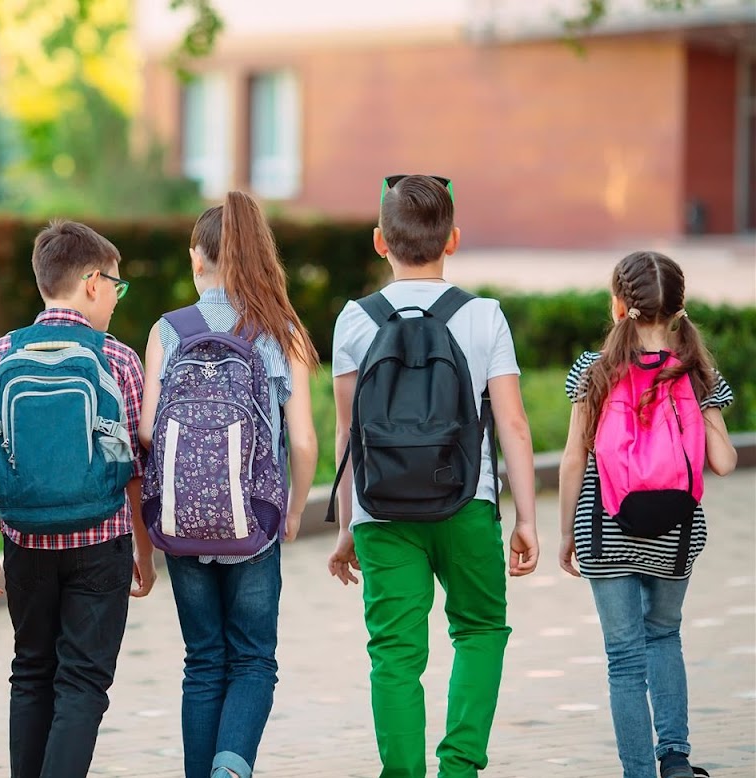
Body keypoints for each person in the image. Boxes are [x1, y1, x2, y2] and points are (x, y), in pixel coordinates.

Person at [327, 174, 540, 777]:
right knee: (480, 630)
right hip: (466, 504)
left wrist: (348, 527)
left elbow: (349, 435)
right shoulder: (483, 316)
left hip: (381, 512)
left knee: (394, 654)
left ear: (379, 241)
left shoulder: (354, 321)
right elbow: (515, 425)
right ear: (453, 240)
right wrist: (524, 518)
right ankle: (460, 767)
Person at [137, 191, 319, 778]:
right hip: (255, 519)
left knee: (204, 661)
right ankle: (231, 768)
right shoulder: (280, 329)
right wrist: (292, 511)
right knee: (253, 661)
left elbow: (145, 430)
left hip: (182, 521)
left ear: (196, 258)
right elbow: (305, 441)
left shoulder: (169, 330)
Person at [0, 220, 156, 778]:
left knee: (31, 671)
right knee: (83, 680)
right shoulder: (118, 360)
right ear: (93, 283)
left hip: (25, 538)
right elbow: (135, 472)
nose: (117, 300)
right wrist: (144, 553)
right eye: (117, 288)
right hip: (102, 541)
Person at [557, 250, 736, 778]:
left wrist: (566, 534)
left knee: (624, 658)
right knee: (665, 635)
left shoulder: (594, 371)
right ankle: (675, 759)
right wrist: (704, 403)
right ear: (680, 309)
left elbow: (574, 458)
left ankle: (638, 771)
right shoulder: (699, 371)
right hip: (676, 534)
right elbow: (723, 462)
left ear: (618, 305)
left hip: (605, 529)